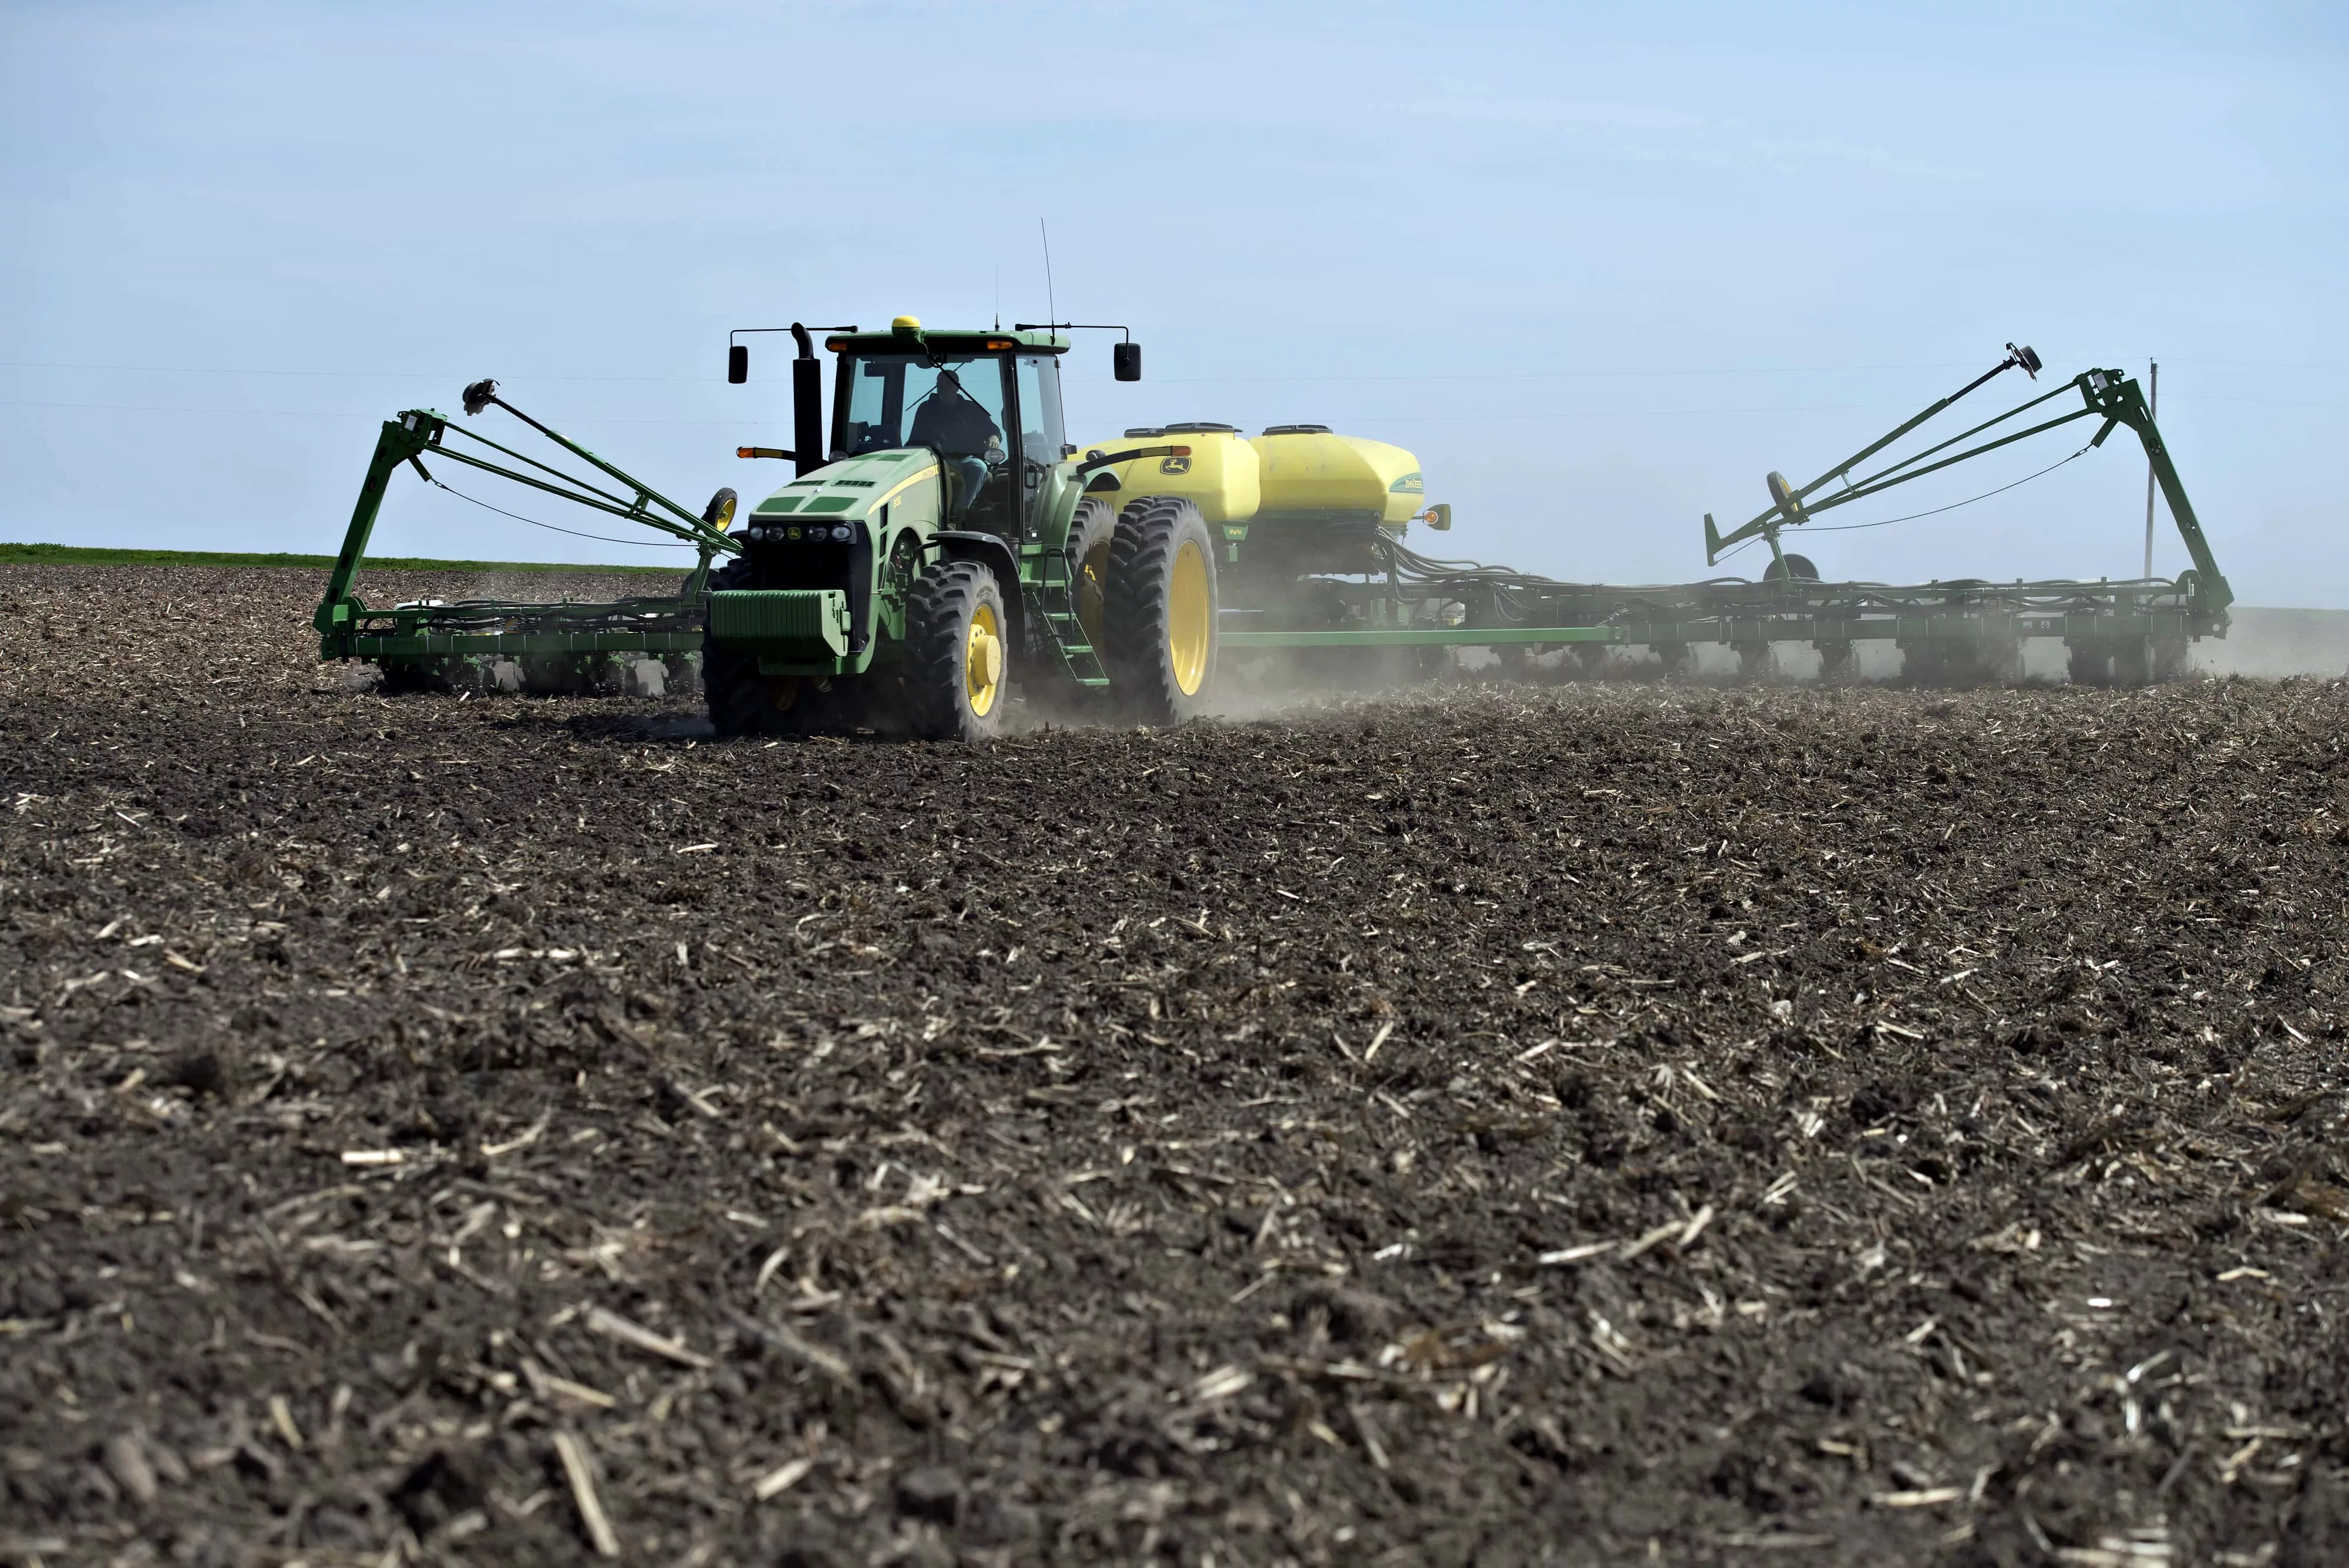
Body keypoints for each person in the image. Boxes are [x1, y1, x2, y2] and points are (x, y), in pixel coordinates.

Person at [909, 368, 1001, 519]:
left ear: (957, 387)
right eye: (941, 385)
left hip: (965, 459)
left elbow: (993, 429)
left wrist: (995, 437)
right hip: (935, 460)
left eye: (948, 384)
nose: (944, 388)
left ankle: (960, 513)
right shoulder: (927, 409)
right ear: (937, 386)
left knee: (979, 467)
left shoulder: (971, 409)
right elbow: (914, 441)